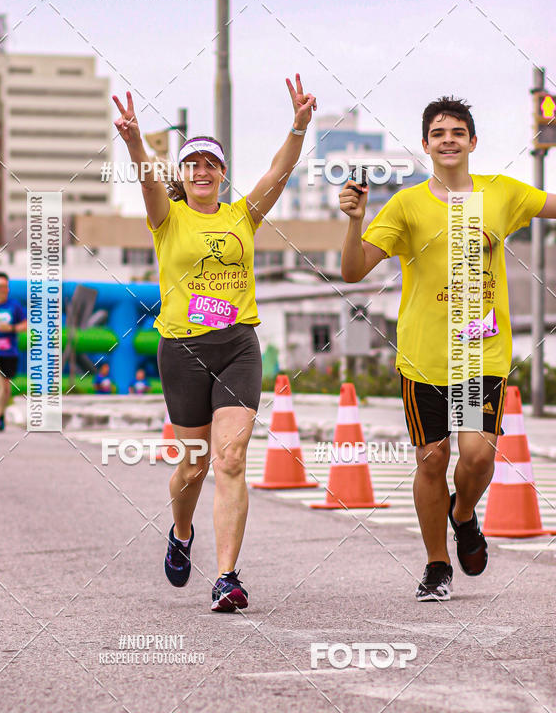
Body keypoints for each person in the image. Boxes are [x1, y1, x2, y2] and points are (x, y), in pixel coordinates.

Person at [113, 74, 316, 611]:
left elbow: (280, 171)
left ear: (223, 175)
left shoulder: (242, 216)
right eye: (193, 164)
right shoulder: (167, 218)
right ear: (183, 173)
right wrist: (134, 141)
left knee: (230, 458)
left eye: (211, 164)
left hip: (237, 346)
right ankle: (181, 533)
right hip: (181, 350)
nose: (202, 172)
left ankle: (227, 576)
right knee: (195, 464)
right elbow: (147, 182)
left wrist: (298, 126)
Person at [340, 96, 556, 602]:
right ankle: (437, 565)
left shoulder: (502, 194)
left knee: (478, 456)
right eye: (438, 133)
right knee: (432, 460)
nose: (449, 140)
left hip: (480, 355)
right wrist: (354, 220)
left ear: (473, 141)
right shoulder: (407, 205)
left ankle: (463, 514)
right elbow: (352, 271)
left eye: (457, 132)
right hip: (423, 356)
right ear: (426, 145)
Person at [0, 272, 27, 431]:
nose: (3, 289)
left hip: (9, 352)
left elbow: (26, 325)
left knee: (6, 387)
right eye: (0, 286)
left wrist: (12, 328)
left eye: (6, 286)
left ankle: (0, 413)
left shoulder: (14, 306)